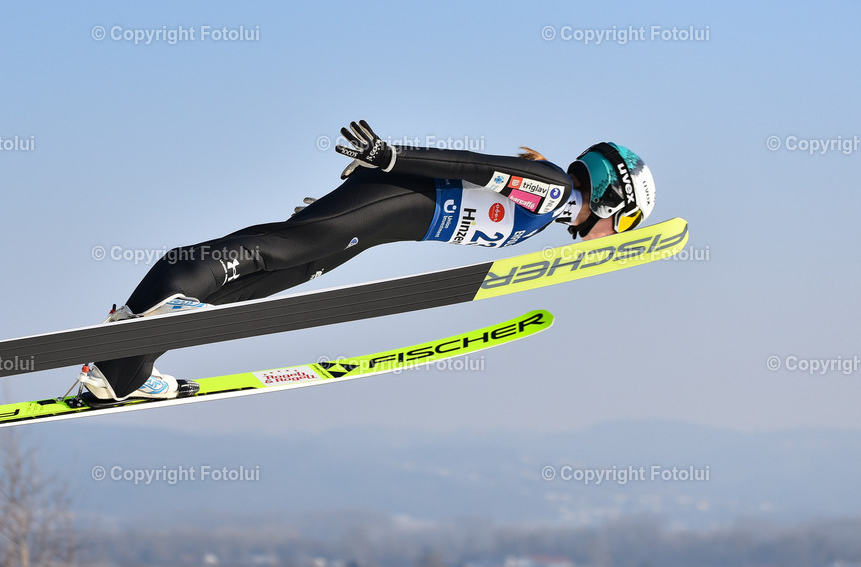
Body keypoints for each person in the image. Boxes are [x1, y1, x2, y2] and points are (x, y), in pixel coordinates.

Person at [78, 120, 656, 403]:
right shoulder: (554, 189)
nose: (614, 235)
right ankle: (145, 310)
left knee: (282, 275)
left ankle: (117, 371)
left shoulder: (551, 208)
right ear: (610, 195)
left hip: (383, 226)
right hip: (388, 201)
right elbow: (475, 166)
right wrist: (393, 156)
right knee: (278, 248)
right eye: (624, 221)